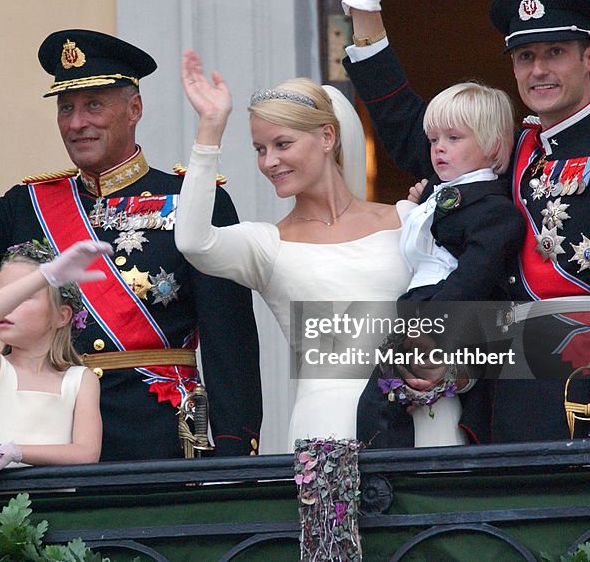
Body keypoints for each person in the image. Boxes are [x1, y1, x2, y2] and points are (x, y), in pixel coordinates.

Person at [335, 0, 590, 442]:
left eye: (555, 53)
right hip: (496, 397)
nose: (539, 70)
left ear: (589, 57)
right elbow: (411, 130)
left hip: (578, 397)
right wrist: (366, 16)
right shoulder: (505, 147)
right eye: (525, 56)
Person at [0, 32, 263, 460]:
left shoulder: (193, 200)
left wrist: (234, 454)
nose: (76, 122)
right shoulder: (30, 204)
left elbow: (229, 342)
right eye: (66, 108)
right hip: (42, 436)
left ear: (134, 110)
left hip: (152, 437)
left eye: (94, 105)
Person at [174, 49, 464, 449]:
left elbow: (465, 310)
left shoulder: (406, 218)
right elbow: (192, 240)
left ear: (327, 136)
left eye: (282, 144)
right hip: (331, 430)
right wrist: (210, 128)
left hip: (428, 421)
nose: (269, 161)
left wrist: (456, 367)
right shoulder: (266, 245)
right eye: (260, 149)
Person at [358, 81, 525, 448]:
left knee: (380, 401)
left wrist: (431, 326)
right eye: (433, 140)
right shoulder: (440, 194)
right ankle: (384, 477)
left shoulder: (495, 211)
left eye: (453, 137)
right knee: (383, 403)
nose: (439, 149)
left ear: (493, 145)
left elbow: (474, 277)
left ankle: (384, 481)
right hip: (422, 310)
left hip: (453, 316)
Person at [0, 239, 109, 494]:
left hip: (59, 518)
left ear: (61, 316)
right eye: (3, 295)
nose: (6, 306)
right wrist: (46, 275)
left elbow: (86, 453)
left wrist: (15, 451)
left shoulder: (79, 379)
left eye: (23, 296)